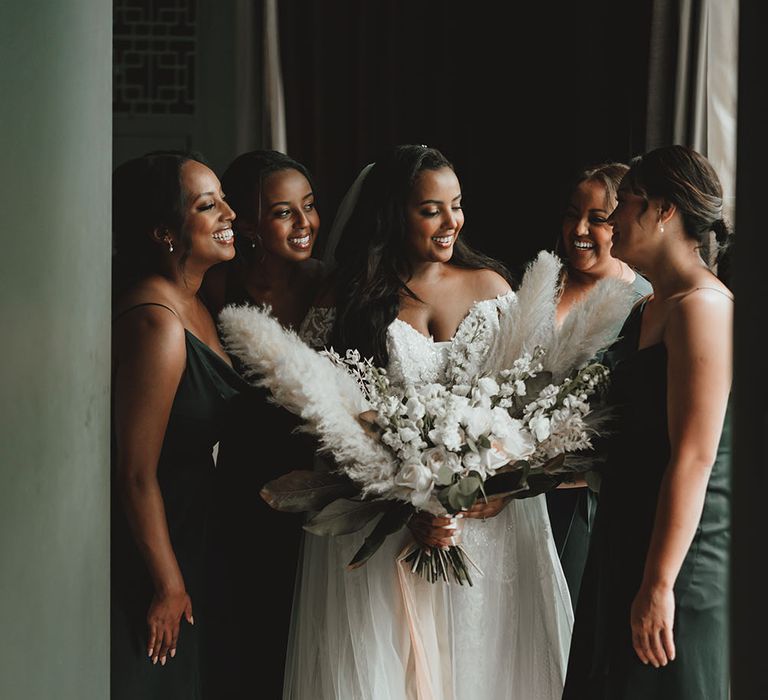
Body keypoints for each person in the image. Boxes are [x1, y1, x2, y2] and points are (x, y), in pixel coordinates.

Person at [285, 145, 573, 700]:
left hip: (492, 523)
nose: (450, 223)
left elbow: (531, 401)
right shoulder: (348, 298)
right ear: (394, 214)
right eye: (430, 210)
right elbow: (320, 413)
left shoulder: (491, 284)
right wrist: (402, 498)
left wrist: (498, 489)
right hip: (391, 524)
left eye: (457, 206)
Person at [563, 145, 733, 699]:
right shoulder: (646, 308)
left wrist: (659, 585)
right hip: (623, 535)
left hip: (678, 554)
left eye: (625, 203)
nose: (610, 220)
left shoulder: (702, 308)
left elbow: (694, 455)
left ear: (664, 211)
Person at [110, 151, 246, 699]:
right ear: (166, 232)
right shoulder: (157, 322)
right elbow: (135, 473)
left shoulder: (197, 303)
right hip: (152, 544)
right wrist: (167, 583)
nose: (230, 213)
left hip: (193, 524)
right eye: (209, 205)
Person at [201, 150, 323, 697]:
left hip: (325, 481)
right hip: (246, 484)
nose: (304, 224)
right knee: (252, 636)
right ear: (246, 223)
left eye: (310, 206)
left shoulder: (334, 284)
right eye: (284, 213)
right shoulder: (219, 286)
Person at [546, 163, 652, 606]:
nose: (580, 229)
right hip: (513, 491)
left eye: (598, 218)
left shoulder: (643, 301)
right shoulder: (542, 281)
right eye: (573, 214)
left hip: (587, 497)